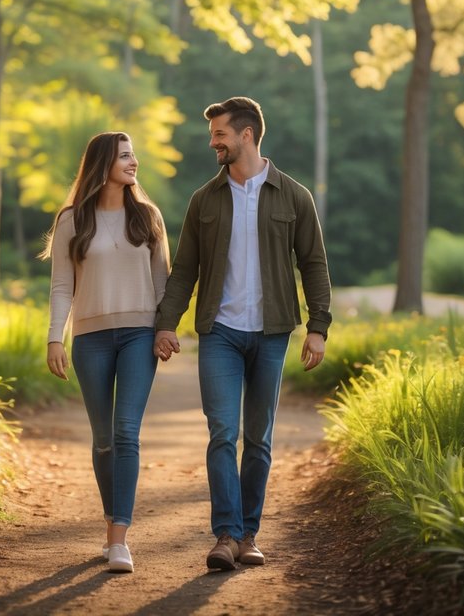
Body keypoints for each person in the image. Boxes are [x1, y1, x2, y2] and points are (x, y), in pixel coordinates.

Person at [153, 96, 330, 572]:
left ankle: (250, 533)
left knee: (260, 439)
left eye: (219, 135)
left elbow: (313, 263)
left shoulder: (293, 196)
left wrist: (318, 327)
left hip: (272, 333)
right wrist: (166, 322)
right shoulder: (203, 199)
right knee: (222, 432)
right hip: (220, 333)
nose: (213, 143)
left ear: (246, 134)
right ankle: (226, 535)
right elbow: (184, 269)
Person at [42, 131, 170, 574]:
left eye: (134, 155)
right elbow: (62, 285)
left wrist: (165, 330)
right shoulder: (72, 220)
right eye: (125, 156)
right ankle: (109, 523)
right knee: (102, 440)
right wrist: (55, 337)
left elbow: (163, 284)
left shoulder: (148, 216)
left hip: (139, 334)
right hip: (91, 339)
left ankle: (119, 539)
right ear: (102, 164)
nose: (134, 162)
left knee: (126, 433)